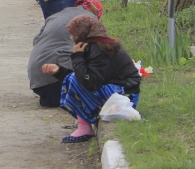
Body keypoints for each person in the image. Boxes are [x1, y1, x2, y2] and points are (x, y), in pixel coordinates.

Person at [42, 15, 140, 143]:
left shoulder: (100, 50)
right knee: (72, 78)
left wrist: (77, 57)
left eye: (73, 34)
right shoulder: (96, 46)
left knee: (73, 80)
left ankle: (85, 127)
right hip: (116, 93)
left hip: (125, 96)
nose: (71, 38)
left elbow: (89, 82)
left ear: (83, 33)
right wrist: (60, 71)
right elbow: (88, 77)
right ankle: (84, 124)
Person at [27, 0, 103, 108]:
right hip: (57, 77)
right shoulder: (91, 20)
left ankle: (52, 97)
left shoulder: (55, 16)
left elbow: (36, 41)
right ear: (97, 12)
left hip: (37, 78)